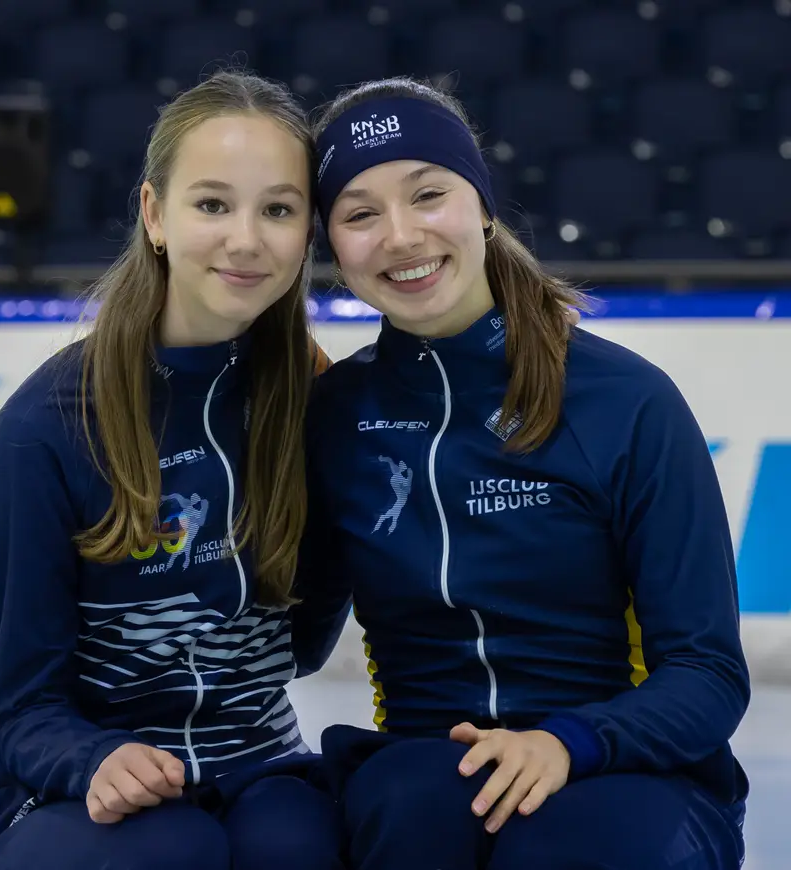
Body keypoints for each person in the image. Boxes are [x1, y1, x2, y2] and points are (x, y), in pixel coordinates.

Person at [295, 76, 750, 870]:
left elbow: (707, 674)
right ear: (332, 245)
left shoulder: (624, 400)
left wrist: (568, 741)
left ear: (482, 206)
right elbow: (292, 639)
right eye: (360, 214)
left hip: (628, 766)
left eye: (428, 194)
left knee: (564, 845)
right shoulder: (334, 414)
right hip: (426, 764)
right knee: (406, 813)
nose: (401, 236)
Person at [0, 71, 347, 870]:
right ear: (154, 213)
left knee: (298, 848)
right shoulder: (46, 429)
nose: (246, 239)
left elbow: (303, 645)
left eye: (278, 209)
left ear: (309, 229)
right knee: (172, 849)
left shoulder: (315, 399)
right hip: (75, 783)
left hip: (262, 766)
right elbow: (26, 709)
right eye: (212, 204)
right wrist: (95, 759)